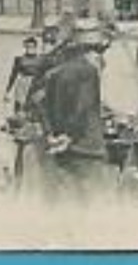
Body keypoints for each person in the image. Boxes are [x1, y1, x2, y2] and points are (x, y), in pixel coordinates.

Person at [37, 20, 111, 202]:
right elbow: (82, 108)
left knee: (65, 199)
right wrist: (69, 136)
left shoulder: (55, 72)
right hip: (86, 147)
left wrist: (51, 134)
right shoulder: (88, 71)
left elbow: (40, 103)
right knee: (90, 202)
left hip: (61, 149)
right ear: (91, 50)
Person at [4, 35, 43, 116]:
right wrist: (8, 91)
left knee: (34, 105)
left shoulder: (40, 59)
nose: (30, 49)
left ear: (35, 47)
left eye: (32, 46)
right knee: (19, 104)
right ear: (25, 47)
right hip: (23, 82)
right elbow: (13, 75)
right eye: (28, 46)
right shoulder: (19, 59)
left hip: (35, 83)